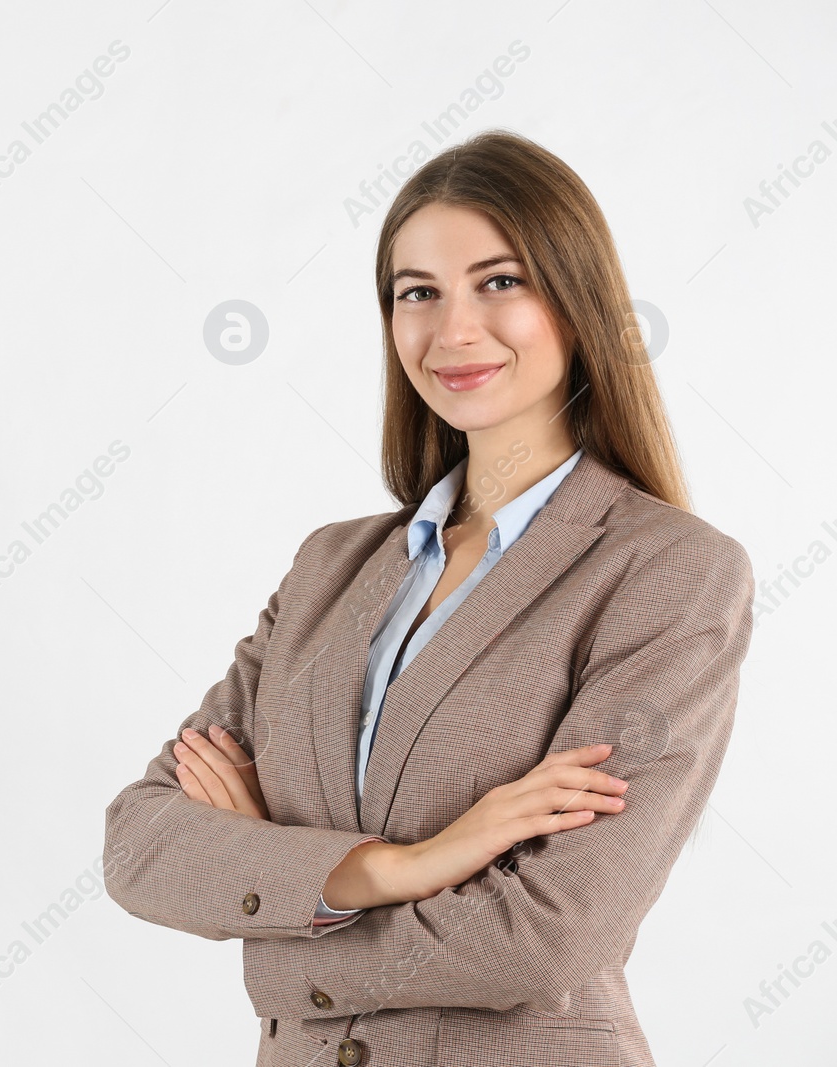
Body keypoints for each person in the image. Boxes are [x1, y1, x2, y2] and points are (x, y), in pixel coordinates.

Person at [101, 128, 755, 1067]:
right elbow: (141, 840)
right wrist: (410, 864)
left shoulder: (668, 572)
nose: (453, 330)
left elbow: (551, 933)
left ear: (576, 301)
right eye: (418, 293)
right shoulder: (331, 568)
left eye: (500, 282)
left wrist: (281, 923)